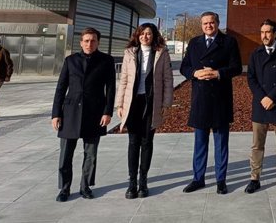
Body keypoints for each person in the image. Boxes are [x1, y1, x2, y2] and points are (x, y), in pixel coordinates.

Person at [180, 11, 241, 195]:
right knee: (200, 142)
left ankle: (221, 180)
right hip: (200, 98)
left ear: (217, 23)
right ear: (201, 25)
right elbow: (184, 66)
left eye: (212, 22)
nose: (208, 25)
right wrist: (194, 73)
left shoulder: (229, 42)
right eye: (205, 23)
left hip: (220, 97)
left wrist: (217, 73)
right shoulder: (194, 43)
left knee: (221, 142)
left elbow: (236, 67)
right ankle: (198, 178)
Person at [51, 27, 115, 202]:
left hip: (94, 114)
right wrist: (56, 114)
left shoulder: (106, 61)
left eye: (93, 40)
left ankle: (85, 186)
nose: (89, 43)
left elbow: (110, 89)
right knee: (65, 155)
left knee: (91, 154)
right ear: (81, 42)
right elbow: (61, 88)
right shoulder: (70, 61)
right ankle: (64, 188)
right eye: (86, 40)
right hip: (70, 113)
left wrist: (108, 112)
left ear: (98, 42)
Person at [115, 23, 173, 199]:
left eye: (149, 34)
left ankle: (143, 181)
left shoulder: (161, 53)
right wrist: (120, 104)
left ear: (154, 36)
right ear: (137, 35)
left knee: (147, 142)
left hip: (151, 103)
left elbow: (167, 80)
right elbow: (123, 79)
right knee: (133, 142)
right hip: (133, 103)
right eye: (142, 33)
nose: (145, 36)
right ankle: (132, 183)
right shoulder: (130, 53)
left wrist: (166, 103)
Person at [244, 19, 276, 194]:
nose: (264, 36)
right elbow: (251, 78)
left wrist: (272, 97)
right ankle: (254, 178)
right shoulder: (255, 53)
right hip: (260, 104)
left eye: (267, 32)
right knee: (257, 145)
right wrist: (262, 98)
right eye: (262, 32)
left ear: (275, 33)